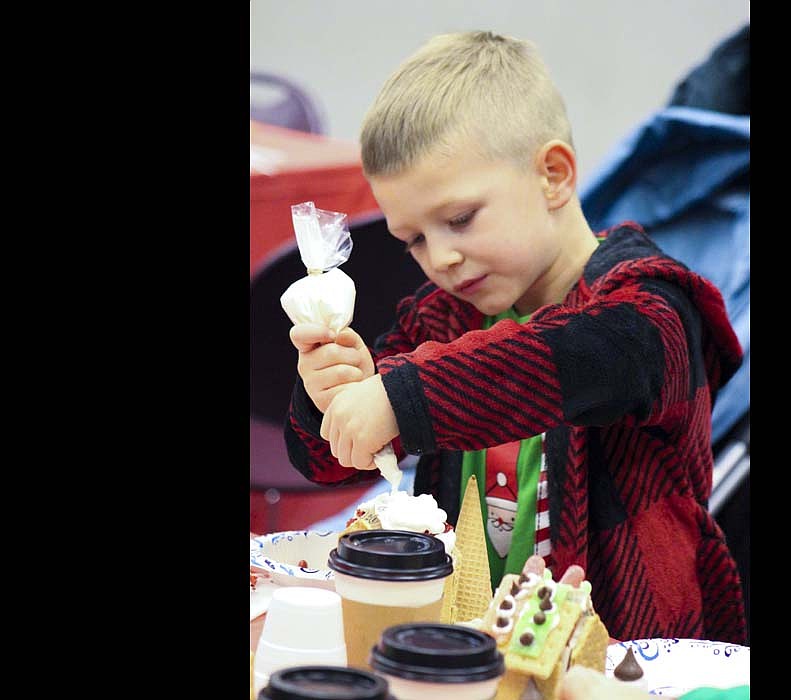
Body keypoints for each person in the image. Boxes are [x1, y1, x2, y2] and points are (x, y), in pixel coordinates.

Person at [284, 30, 746, 645]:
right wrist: (332, 398)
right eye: (414, 239)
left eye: (459, 219)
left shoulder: (650, 307)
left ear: (553, 175)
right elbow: (333, 464)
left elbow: (576, 359)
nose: (441, 258)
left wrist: (399, 398)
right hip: (468, 646)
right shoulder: (443, 316)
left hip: (629, 654)